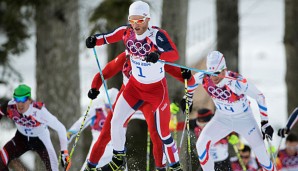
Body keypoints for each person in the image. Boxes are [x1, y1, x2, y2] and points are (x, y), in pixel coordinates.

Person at [85, 1, 187, 170]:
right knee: (115, 122)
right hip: (134, 88)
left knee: (163, 134)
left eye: (140, 21)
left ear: (147, 19)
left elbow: (174, 53)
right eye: (133, 20)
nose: (136, 25)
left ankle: (174, 167)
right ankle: (118, 159)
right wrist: (94, 40)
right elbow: (108, 37)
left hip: (156, 91)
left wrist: (158, 55)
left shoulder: (157, 35)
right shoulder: (127, 32)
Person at [84, 51, 194, 170]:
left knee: (156, 134)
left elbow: (175, 70)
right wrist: (94, 87)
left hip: (148, 101)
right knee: (107, 132)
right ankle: (91, 166)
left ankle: (161, 167)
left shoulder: (150, 57)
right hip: (128, 98)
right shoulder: (127, 55)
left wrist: (186, 77)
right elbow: (105, 71)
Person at [181, 51, 275, 171]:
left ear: (224, 69)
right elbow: (190, 84)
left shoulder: (237, 81)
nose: (213, 77)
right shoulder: (204, 76)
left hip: (244, 120)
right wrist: (187, 99)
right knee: (201, 145)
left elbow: (260, 96)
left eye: (217, 73)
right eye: (210, 73)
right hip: (222, 119)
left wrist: (265, 122)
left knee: (263, 158)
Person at [0, 84, 69, 171]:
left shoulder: (39, 111)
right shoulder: (10, 107)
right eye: (17, 99)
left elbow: (61, 128)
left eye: (23, 99)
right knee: (1, 160)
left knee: (53, 169)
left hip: (41, 140)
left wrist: (64, 152)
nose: (20, 104)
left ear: (29, 99)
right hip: (21, 139)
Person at [67, 88, 119, 170]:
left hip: (116, 152)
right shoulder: (97, 111)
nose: (109, 110)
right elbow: (81, 122)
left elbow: (142, 113)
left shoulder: (122, 112)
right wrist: (70, 133)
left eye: (113, 107)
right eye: (107, 106)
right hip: (97, 151)